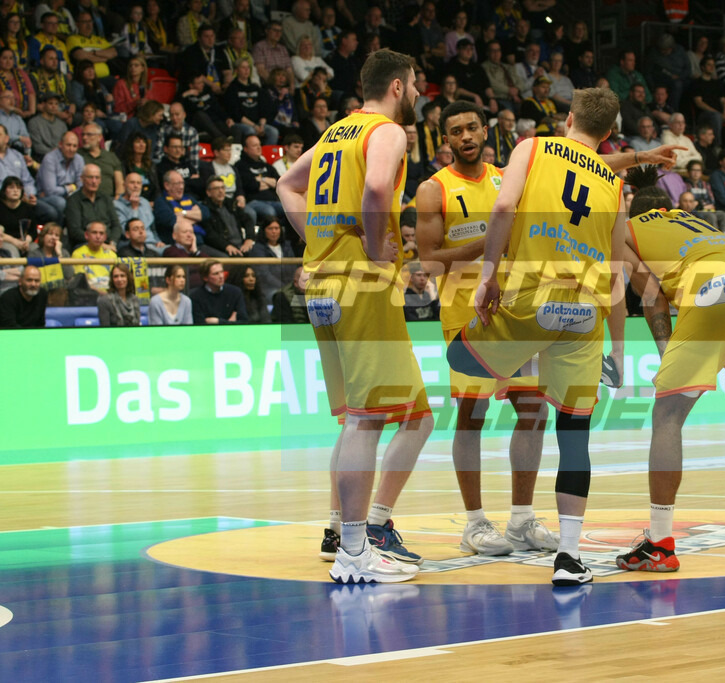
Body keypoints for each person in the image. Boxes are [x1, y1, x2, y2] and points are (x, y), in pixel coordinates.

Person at [446, 87, 626, 586]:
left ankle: (511, 367)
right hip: (585, 313)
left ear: (568, 119)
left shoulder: (534, 146)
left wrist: (488, 275)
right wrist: (620, 352)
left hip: (531, 297)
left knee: (460, 358)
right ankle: (569, 557)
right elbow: (615, 274)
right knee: (574, 435)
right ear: (608, 134)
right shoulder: (612, 182)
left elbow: (503, 209)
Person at [276, 48, 432, 584]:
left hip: (322, 283)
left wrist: (316, 240)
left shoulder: (335, 133)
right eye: (414, 86)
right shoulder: (386, 132)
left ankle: (344, 533)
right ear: (396, 87)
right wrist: (372, 244)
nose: (417, 94)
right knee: (368, 420)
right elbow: (375, 189)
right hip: (361, 284)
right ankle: (356, 551)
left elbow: (286, 185)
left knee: (368, 417)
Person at [612, 165, 725, 573]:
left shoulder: (626, 232)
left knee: (667, 416)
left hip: (710, 287)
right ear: (668, 205)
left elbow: (652, 296)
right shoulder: (692, 219)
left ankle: (661, 543)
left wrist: (666, 349)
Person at [414, 99, 557, 555]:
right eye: (456, 132)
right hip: (466, 314)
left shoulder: (506, 179)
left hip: (514, 311)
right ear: (446, 141)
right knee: (471, 417)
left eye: (472, 128)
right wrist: (492, 239)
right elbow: (430, 263)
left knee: (534, 412)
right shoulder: (434, 190)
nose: (466, 137)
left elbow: (571, 165)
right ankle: (474, 523)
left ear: (485, 130)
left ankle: (521, 520)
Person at [66, 162, 122, 248]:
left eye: (97, 178)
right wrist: (100, 244)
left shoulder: (106, 199)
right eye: (90, 177)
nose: (94, 181)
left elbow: (116, 225)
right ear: (82, 179)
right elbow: (75, 231)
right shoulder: (73, 200)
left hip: (108, 244)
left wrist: (112, 243)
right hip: (84, 244)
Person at [189, 259, 248, 324]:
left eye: (222, 272)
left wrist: (218, 321)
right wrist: (229, 322)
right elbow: (200, 325)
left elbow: (244, 322)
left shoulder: (235, 292)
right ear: (205, 277)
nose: (221, 276)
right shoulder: (195, 296)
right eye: (216, 274)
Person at [70, 221, 117, 295]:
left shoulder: (112, 255)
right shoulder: (78, 253)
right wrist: (103, 293)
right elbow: (81, 281)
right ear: (86, 235)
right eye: (94, 233)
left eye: (101, 233)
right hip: (88, 295)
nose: (98, 236)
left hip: (110, 294)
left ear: (105, 237)